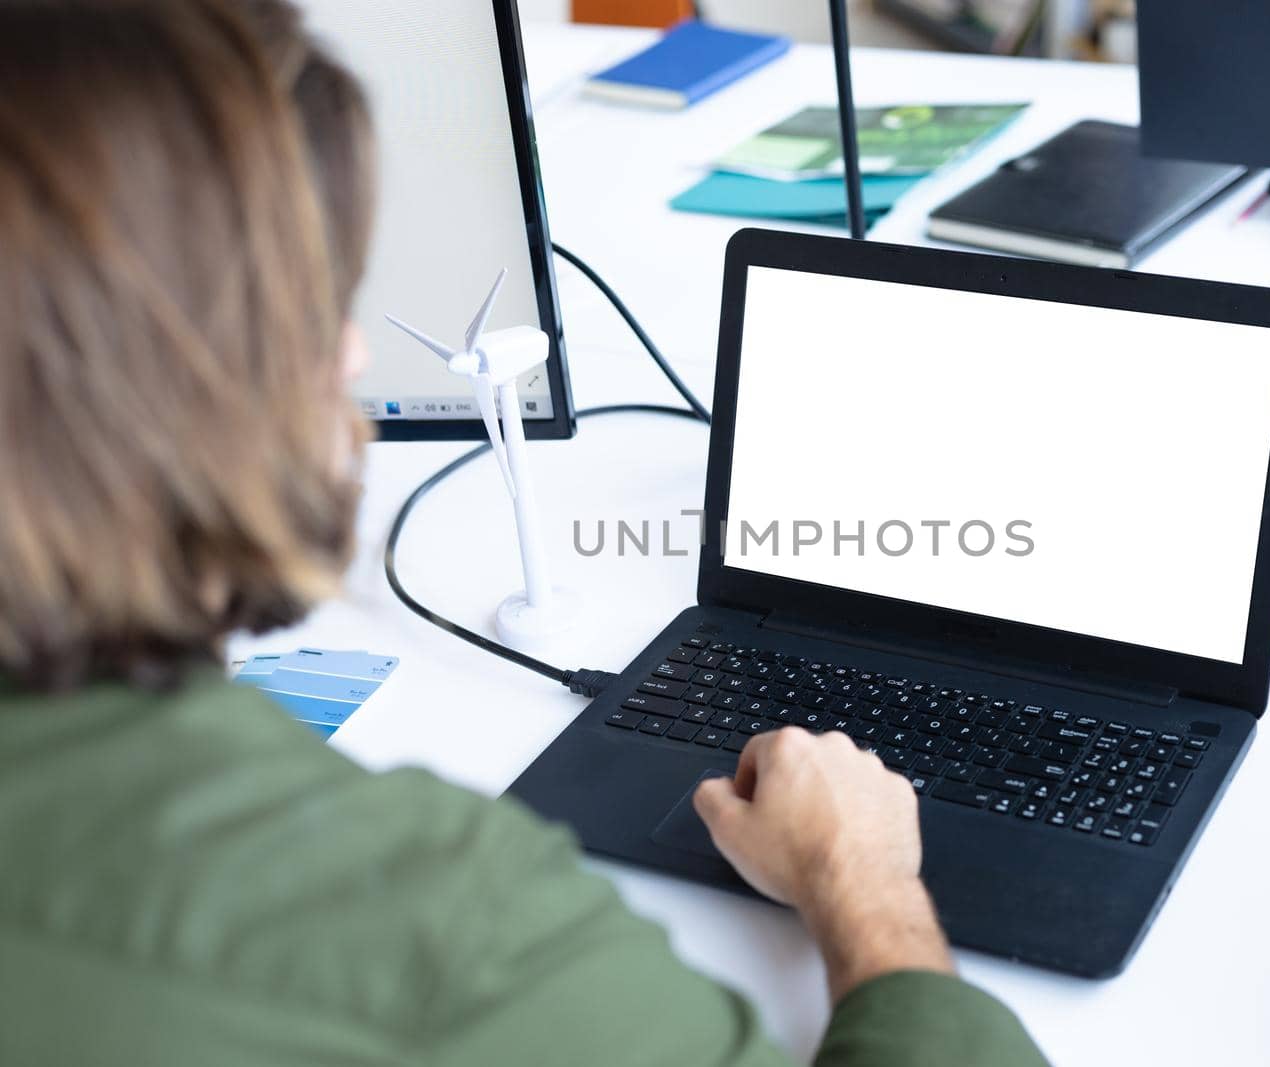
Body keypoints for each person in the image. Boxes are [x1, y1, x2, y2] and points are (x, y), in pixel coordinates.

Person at [0, 3, 1051, 1065]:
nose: (353, 354)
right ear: (167, 386)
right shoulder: (423, 931)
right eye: (313, 310)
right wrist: (866, 884)